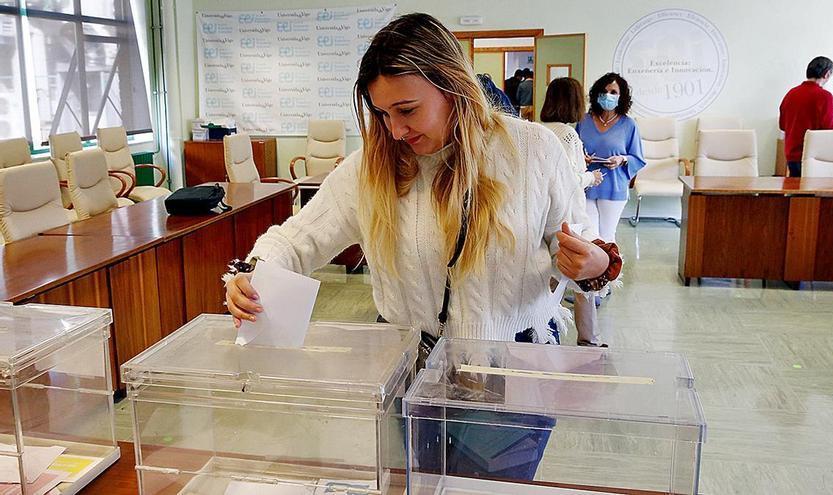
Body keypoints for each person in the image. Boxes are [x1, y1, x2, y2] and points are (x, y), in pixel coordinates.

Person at [225, 12, 621, 483]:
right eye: (382, 114)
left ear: (452, 86)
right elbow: (297, 239)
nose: (394, 130)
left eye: (407, 110)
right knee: (421, 485)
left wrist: (594, 262)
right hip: (408, 370)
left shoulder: (534, 151)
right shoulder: (371, 168)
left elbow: (579, 242)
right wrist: (255, 273)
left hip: (513, 374)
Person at [540, 77, 607, 347]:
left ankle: (545, 333)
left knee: (550, 279)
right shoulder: (569, 135)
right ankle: (589, 338)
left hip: (544, 215)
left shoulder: (538, 131)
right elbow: (570, 180)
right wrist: (592, 177)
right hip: (570, 217)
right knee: (582, 281)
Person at [575, 72, 645, 244]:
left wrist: (622, 159)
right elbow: (573, 150)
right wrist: (582, 158)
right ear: (597, 94)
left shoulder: (629, 125)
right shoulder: (583, 121)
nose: (608, 95)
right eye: (605, 91)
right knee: (590, 237)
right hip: (587, 185)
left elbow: (638, 158)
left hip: (614, 187)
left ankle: (611, 263)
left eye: (613, 92)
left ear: (621, 97)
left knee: (607, 238)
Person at [779, 56, 833, 177]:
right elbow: (830, 130)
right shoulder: (825, 97)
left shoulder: (791, 93)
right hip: (813, 156)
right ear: (827, 74)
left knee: (796, 187)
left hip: (792, 154)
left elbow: (782, 125)